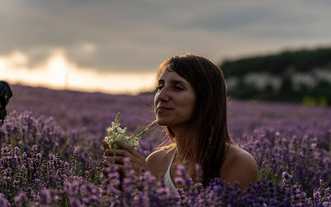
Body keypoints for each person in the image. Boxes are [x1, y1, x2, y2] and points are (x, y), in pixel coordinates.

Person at [103, 53, 258, 191]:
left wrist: (148, 184)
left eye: (177, 87)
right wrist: (122, 191)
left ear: (205, 99)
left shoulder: (237, 163)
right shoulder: (156, 162)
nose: (161, 96)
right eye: (160, 86)